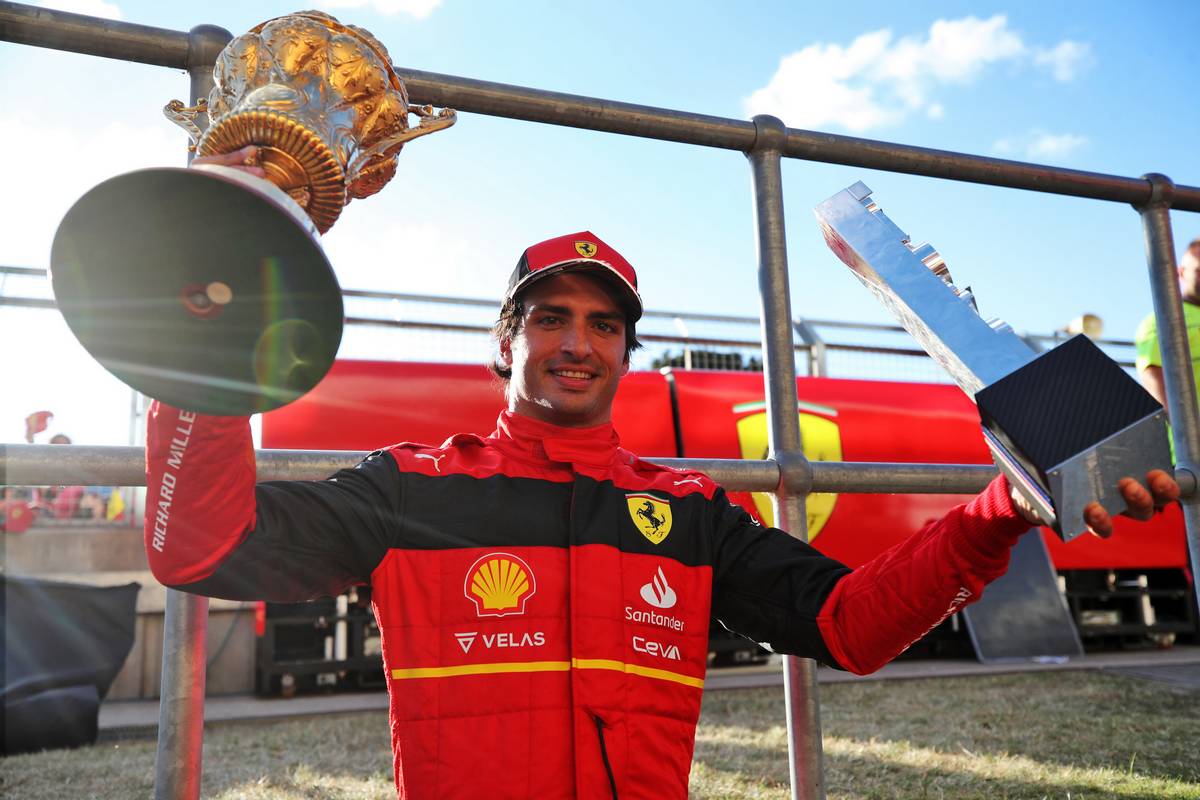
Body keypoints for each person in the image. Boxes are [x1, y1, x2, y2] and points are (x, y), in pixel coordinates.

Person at [144, 147, 1178, 799]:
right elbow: (200, 547)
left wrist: (1002, 508)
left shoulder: (686, 513)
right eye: (550, 316)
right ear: (504, 341)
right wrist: (208, 347)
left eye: (603, 323)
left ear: (629, 353)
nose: (577, 341)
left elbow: (853, 628)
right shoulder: (411, 489)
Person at [1136, 237, 1200, 413]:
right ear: (1181, 273)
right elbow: (1153, 377)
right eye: (1199, 270)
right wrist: (1192, 436)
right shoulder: (1165, 320)